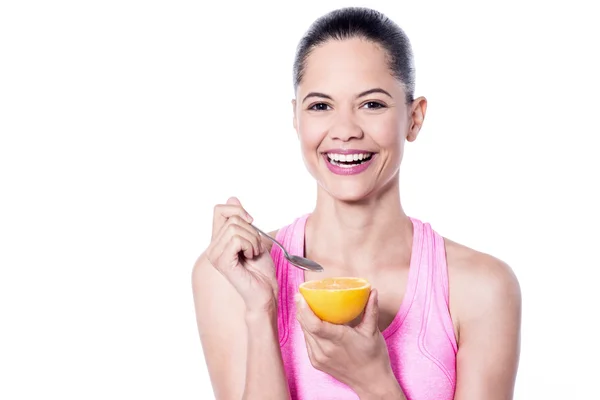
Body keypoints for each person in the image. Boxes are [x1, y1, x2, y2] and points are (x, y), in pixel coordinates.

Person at [192, 6, 521, 400]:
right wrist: (260, 311)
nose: (345, 131)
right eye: (320, 106)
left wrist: (374, 382)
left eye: (372, 104)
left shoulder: (481, 289)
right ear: (296, 119)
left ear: (414, 119)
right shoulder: (230, 277)